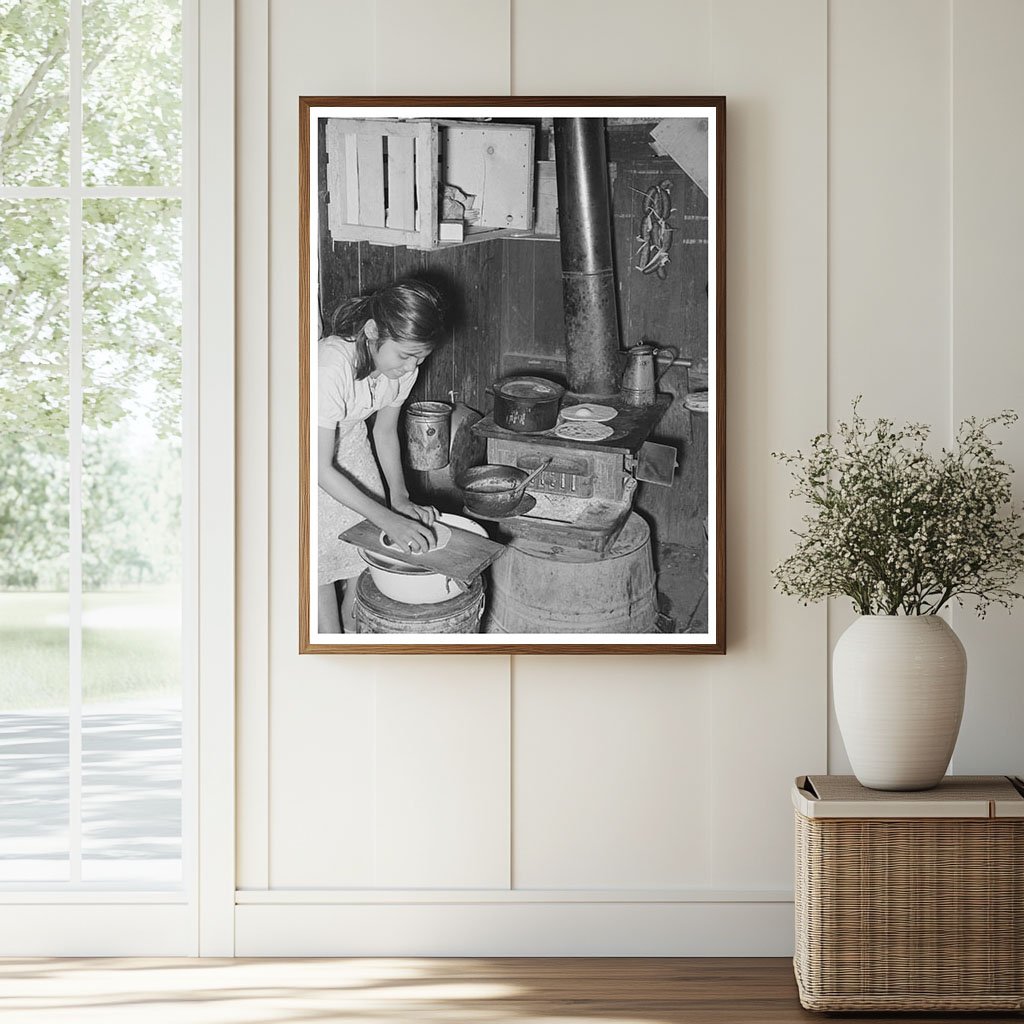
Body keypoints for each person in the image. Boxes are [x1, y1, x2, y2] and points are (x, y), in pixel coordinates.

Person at [317, 278, 446, 633]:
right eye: (405, 354)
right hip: (303, 453)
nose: (411, 367)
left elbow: (385, 431)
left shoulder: (402, 370)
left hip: (353, 442)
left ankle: (354, 635)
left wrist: (399, 500)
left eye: (421, 356)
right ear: (372, 331)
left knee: (364, 558)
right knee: (319, 565)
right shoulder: (330, 367)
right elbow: (319, 468)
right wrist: (388, 520)